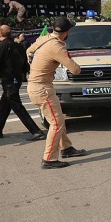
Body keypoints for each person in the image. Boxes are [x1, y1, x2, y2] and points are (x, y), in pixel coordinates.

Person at [26, 16, 87, 169]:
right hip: (42, 89)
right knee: (56, 123)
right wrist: (79, 68)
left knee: (57, 118)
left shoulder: (44, 38)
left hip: (37, 86)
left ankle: (66, 148)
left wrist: (34, 63)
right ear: (66, 32)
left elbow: (28, 51)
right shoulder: (58, 46)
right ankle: (49, 159)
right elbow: (74, 69)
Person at [0, 25, 45, 141]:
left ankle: (36, 131)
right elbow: (25, 64)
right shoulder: (19, 46)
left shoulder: (2, 46)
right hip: (17, 78)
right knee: (4, 105)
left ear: (0, 34)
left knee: (17, 106)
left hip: (8, 80)